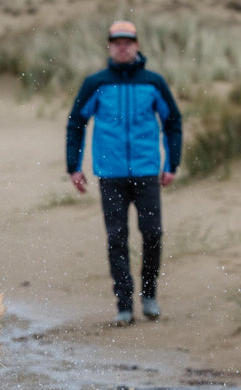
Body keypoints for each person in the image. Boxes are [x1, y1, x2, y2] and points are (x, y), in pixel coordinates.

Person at [65, 20, 182, 325]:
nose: (122, 46)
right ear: (110, 45)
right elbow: (76, 123)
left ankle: (149, 293)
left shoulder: (153, 82)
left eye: (128, 41)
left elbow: (173, 122)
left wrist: (171, 164)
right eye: (117, 41)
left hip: (146, 172)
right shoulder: (96, 83)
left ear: (137, 45)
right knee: (117, 238)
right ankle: (125, 303)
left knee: (153, 234)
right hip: (111, 174)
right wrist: (73, 167)